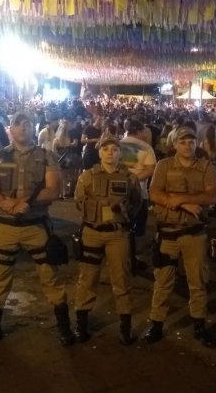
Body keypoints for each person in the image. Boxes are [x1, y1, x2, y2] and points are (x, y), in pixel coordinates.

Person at [0, 112, 74, 349]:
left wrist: (26, 203)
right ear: (10, 129)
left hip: (36, 226)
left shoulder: (46, 156)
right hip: (5, 226)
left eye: (27, 124)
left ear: (33, 129)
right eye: (18, 124)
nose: (23, 128)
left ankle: (64, 328)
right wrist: (8, 204)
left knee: (50, 276)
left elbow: (53, 190)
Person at [143, 126, 216, 348]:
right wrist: (182, 202)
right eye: (183, 142)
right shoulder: (164, 165)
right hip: (168, 232)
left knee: (197, 281)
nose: (188, 145)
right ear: (174, 144)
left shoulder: (205, 166)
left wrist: (178, 198)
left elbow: (212, 195)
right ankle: (156, 323)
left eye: (191, 142)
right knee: (163, 280)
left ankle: (199, 325)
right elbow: (154, 192)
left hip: (194, 233)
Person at [72, 134, 142, 345]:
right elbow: (78, 201)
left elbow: (136, 203)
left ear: (120, 152)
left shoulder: (129, 177)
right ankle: (81, 325)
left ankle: (125, 327)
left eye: (114, 149)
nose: (110, 153)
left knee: (121, 279)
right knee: (88, 278)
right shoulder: (87, 176)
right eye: (105, 149)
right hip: (92, 233)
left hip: (117, 235)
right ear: (99, 152)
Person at [120, 119, 157, 272]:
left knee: (121, 226)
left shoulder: (117, 145)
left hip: (118, 192)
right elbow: (150, 170)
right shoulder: (146, 147)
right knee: (134, 229)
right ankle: (131, 259)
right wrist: (134, 179)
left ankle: (123, 258)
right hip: (138, 194)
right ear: (140, 131)